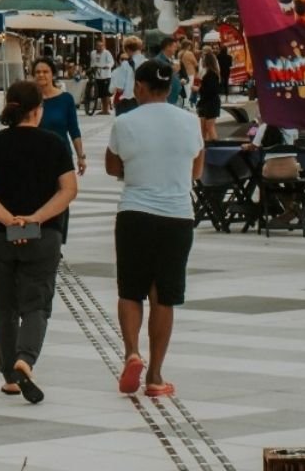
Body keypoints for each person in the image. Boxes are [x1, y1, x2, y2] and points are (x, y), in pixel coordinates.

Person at [0, 81, 78, 404]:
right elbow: (69, 189)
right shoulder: (55, 143)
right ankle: (25, 359)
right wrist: (36, 217)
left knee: (3, 307)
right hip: (43, 234)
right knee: (36, 304)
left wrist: (7, 218)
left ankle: (9, 376)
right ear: (37, 110)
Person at [106, 60, 205, 399]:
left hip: (135, 212)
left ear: (143, 87)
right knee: (165, 296)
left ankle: (132, 352)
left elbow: (111, 165)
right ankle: (156, 376)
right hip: (177, 216)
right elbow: (196, 171)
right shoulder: (191, 122)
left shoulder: (125, 121)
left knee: (130, 290)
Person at [32, 58, 86, 177]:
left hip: (61, 154)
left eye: (45, 72)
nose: (41, 75)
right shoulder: (29, 99)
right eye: (37, 72)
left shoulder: (66, 99)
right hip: (35, 156)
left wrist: (80, 156)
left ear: (53, 74)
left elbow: (74, 130)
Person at [196, 52, 222, 142]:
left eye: (203, 60)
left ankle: (215, 148)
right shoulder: (205, 72)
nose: (201, 61)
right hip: (204, 102)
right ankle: (204, 148)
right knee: (203, 128)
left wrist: (199, 89)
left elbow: (212, 90)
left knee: (209, 127)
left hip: (211, 102)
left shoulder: (212, 74)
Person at [155, 37, 184, 107]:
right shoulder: (158, 60)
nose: (176, 49)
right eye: (174, 47)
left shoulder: (171, 59)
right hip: (167, 99)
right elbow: (157, 77)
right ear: (168, 47)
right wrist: (171, 70)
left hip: (175, 96)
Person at [90, 38, 115, 115]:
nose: (99, 47)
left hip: (105, 75)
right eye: (98, 46)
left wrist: (108, 66)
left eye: (101, 46)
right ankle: (103, 109)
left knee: (106, 94)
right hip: (97, 75)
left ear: (103, 46)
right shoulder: (93, 53)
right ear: (95, 46)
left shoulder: (107, 53)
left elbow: (111, 62)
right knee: (100, 93)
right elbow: (92, 62)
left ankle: (106, 110)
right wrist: (92, 67)